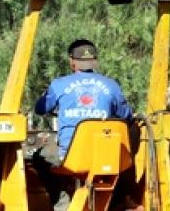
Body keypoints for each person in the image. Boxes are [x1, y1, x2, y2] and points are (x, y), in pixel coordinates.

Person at [35, 39, 131, 167]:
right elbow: (127, 117)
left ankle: (55, 188)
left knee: (37, 159)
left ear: (72, 61)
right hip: (105, 155)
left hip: (70, 157)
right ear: (94, 61)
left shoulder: (59, 84)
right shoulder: (112, 85)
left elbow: (40, 109)